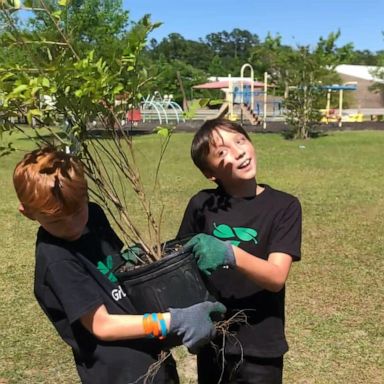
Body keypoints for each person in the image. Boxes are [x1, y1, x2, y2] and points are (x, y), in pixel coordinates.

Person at [13, 147, 226, 384]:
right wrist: (172, 321)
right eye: (57, 221)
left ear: (86, 195)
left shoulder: (94, 216)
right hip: (119, 372)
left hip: (151, 354)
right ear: (28, 213)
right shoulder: (56, 259)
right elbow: (101, 325)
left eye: (77, 211)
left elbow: (115, 267)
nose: (72, 225)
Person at [177, 118, 302, 384]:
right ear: (210, 173)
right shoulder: (202, 204)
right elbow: (182, 263)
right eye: (222, 152)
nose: (239, 152)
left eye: (240, 140)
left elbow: (276, 277)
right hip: (213, 339)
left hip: (261, 346)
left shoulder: (284, 206)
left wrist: (229, 253)